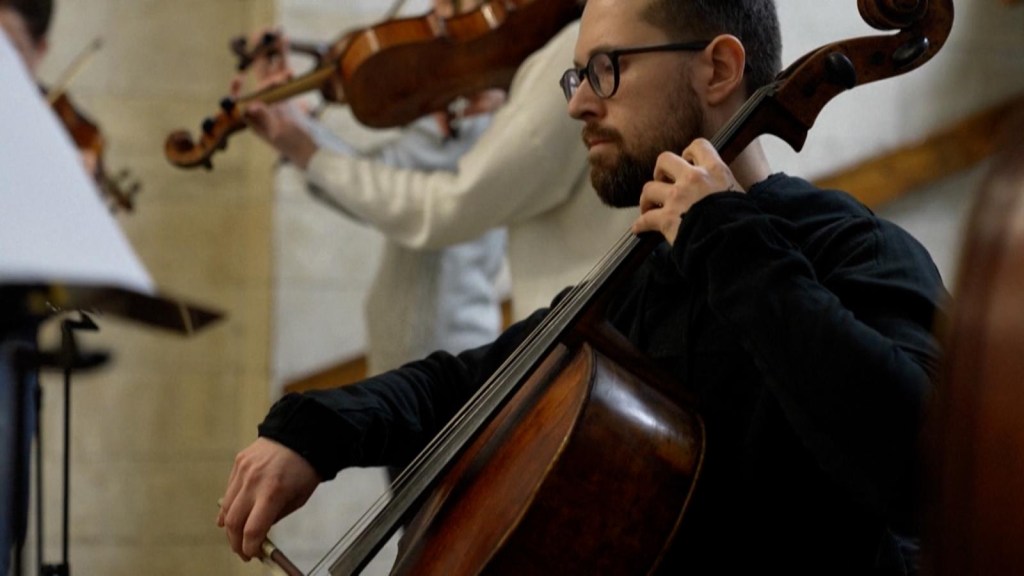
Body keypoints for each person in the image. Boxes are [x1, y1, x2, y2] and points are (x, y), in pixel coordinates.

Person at [219, 0, 947, 573]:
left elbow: (930, 472)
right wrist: (316, 432)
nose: (577, 104)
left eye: (605, 69)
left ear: (719, 69)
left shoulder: (856, 251)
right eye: (576, 77)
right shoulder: (639, 277)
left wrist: (727, 238)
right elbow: (470, 380)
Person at [241, 11, 635, 322]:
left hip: (563, 333)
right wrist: (304, 139)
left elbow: (441, 207)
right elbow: (382, 184)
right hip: (559, 332)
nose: (441, 18)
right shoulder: (510, 83)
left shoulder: (570, 55)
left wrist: (308, 146)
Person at [238, 13, 509, 378]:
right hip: (396, 350)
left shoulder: (488, 120)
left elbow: (411, 204)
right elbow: (369, 184)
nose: (438, 18)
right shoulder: (443, 121)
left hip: (454, 352)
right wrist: (298, 131)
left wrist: (305, 141)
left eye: (451, 4)